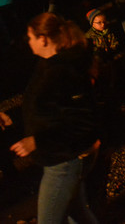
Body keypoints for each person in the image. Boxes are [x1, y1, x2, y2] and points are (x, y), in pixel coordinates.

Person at [10, 13, 100, 224]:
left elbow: (82, 122)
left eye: (30, 37)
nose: (28, 42)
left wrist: (37, 141)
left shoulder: (63, 71)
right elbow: (44, 108)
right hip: (61, 157)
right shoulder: (48, 66)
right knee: (78, 215)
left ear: (43, 39)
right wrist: (11, 117)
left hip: (63, 161)